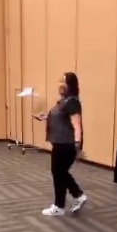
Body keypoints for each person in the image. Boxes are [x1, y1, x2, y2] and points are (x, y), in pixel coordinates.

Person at [33, 72, 87, 216]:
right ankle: (73, 198)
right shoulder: (64, 101)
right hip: (60, 143)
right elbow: (61, 118)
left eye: (64, 82)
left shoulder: (72, 102)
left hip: (66, 145)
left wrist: (77, 146)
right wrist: (47, 117)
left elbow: (77, 125)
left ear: (71, 85)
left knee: (58, 173)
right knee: (60, 173)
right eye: (60, 81)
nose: (61, 84)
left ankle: (63, 204)